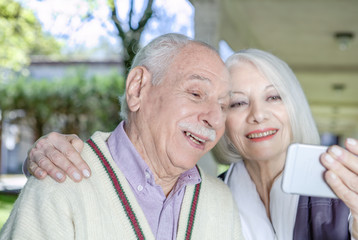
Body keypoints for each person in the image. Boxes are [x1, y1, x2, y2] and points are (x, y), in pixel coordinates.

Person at [18, 49, 358, 239]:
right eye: (237, 104)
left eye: (274, 97)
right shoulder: (217, 193)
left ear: (294, 104)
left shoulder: (343, 186)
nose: (258, 115)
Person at [0, 33, 244, 240]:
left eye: (224, 106)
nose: (214, 118)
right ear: (137, 88)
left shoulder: (220, 201)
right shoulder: (59, 181)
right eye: (195, 93)